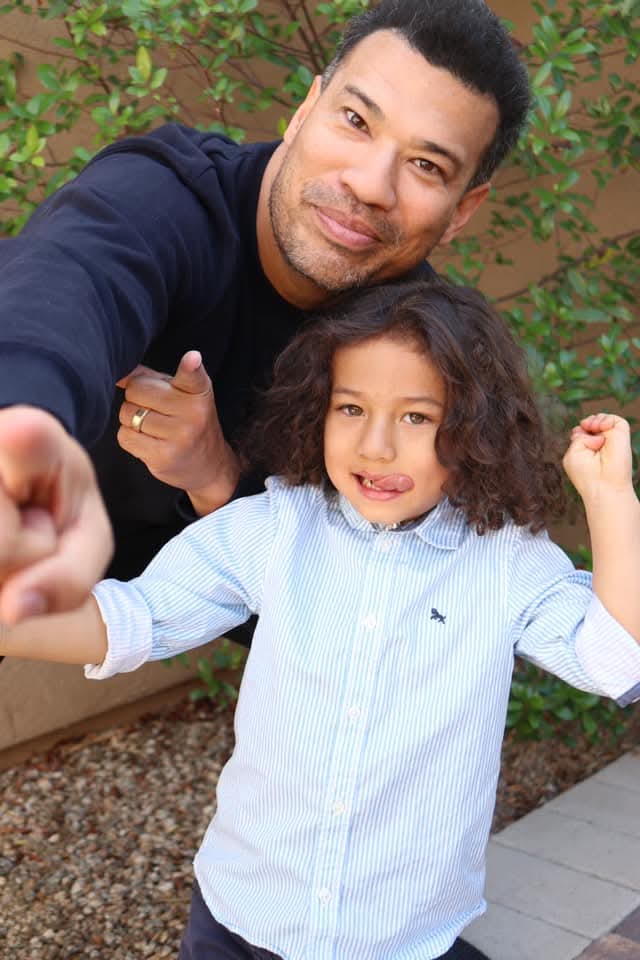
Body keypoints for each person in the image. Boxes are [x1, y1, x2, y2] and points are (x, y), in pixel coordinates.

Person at [2, 277, 639, 960]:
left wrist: (611, 502)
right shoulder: (275, 528)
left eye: (417, 417)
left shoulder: (506, 562)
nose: (377, 448)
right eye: (351, 408)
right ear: (317, 411)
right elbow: (134, 619)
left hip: (398, 938)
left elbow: (615, 661)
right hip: (240, 918)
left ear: (474, 427)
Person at [0, 0, 532, 625]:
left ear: (462, 211)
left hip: (136, 618)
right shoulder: (165, 200)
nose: (370, 183)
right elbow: (68, 288)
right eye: (356, 120)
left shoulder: (417, 346)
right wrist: (24, 434)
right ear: (305, 110)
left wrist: (221, 481)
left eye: (425, 165)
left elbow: (358, 632)